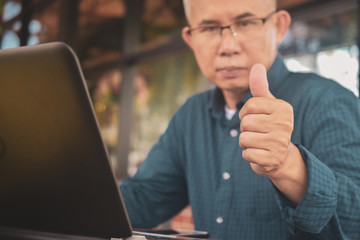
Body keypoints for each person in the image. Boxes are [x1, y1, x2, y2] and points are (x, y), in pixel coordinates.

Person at [120, 0, 360, 239]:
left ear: (279, 26)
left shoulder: (326, 100)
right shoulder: (190, 116)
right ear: (191, 39)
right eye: (209, 28)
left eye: (245, 23)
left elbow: (354, 221)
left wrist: (289, 166)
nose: (227, 46)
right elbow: (144, 198)